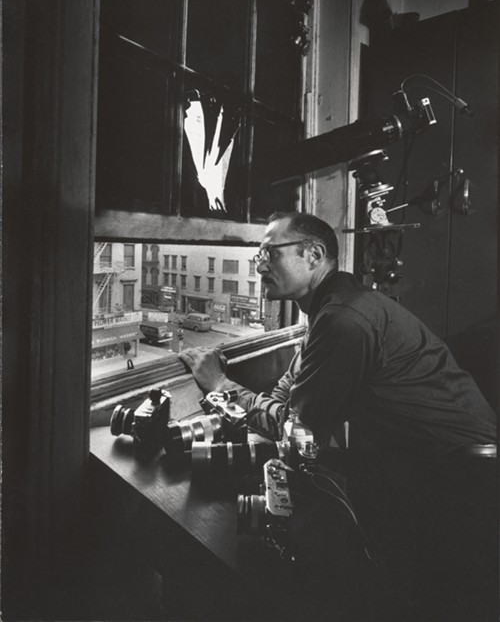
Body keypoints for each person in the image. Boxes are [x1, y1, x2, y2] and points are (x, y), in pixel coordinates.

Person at [180, 211, 497, 617]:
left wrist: (220, 385)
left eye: (270, 254)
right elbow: (290, 390)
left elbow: (295, 429)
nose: (259, 266)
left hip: (459, 480)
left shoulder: (344, 319)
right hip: (427, 464)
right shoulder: (331, 308)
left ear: (313, 255)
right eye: (258, 256)